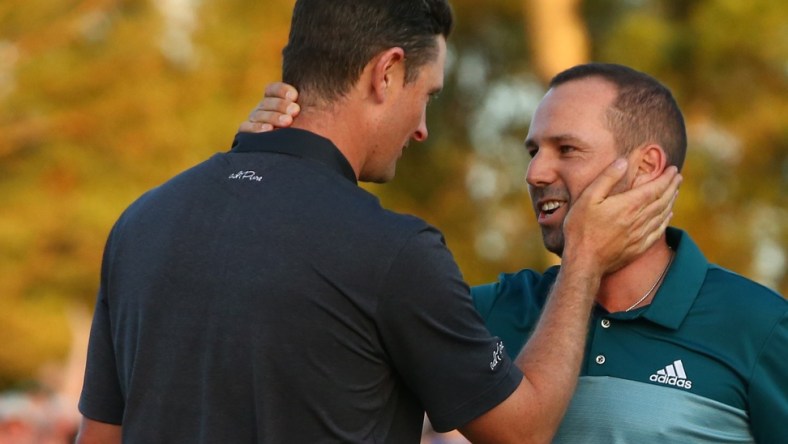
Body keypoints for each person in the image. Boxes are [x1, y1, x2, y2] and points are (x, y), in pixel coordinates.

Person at [75, 0, 681, 441]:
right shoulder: (394, 253)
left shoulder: (142, 222)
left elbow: (101, 436)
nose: (421, 127)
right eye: (429, 95)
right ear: (385, 72)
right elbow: (522, 430)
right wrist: (583, 260)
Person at [244, 62, 788, 442]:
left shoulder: (757, 326)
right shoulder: (491, 313)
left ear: (646, 168)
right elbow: (303, 312)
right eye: (532, 151)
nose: (535, 173)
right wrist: (274, 164)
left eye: (566, 150)